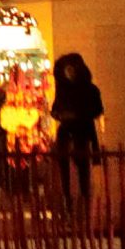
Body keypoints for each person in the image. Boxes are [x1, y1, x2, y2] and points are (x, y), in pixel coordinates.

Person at [50, 53, 104, 210]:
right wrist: (59, 115)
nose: (69, 73)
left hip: (82, 131)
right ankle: (68, 203)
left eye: (72, 70)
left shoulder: (90, 89)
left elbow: (97, 109)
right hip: (66, 132)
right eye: (67, 70)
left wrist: (79, 114)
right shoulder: (62, 90)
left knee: (83, 171)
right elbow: (54, 109)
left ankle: (85, 203)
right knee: (64, 171)